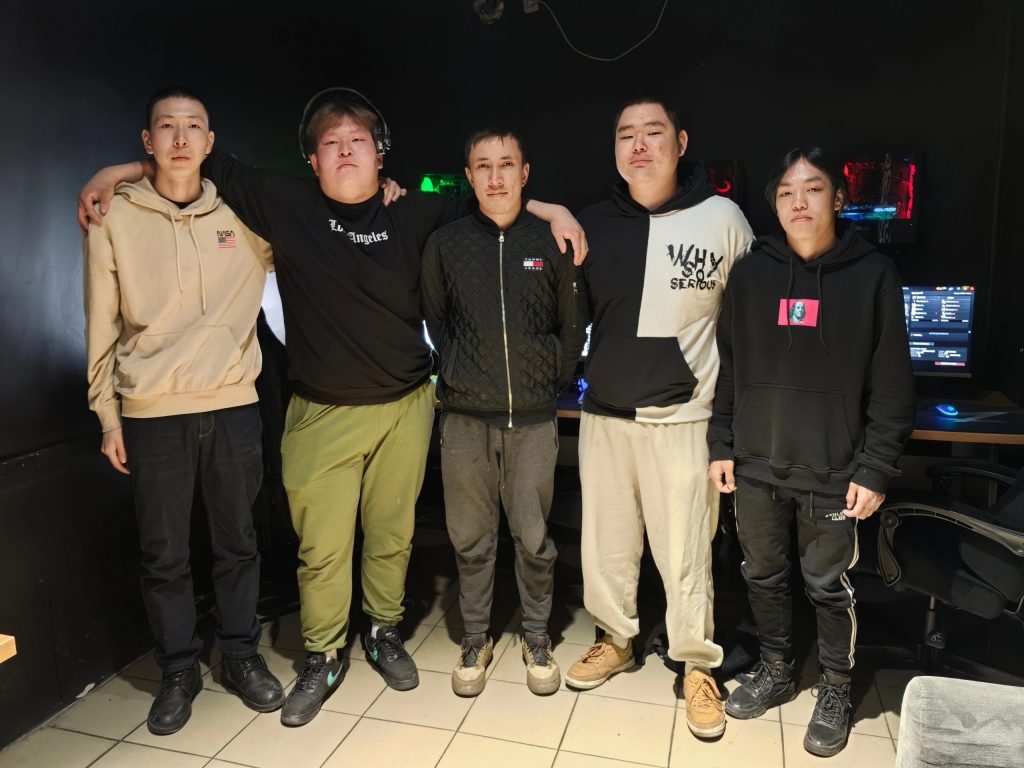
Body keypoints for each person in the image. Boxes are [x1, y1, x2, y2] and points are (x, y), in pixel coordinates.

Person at [79, 87, 587, 727]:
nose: (346, 151)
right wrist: (118, 171)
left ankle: (383, 632)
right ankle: (321, 655)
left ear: (380, 156)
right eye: (331, 143)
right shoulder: (285, 202)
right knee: (321, 548)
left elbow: (494, 197)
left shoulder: (415, 211)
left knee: (392, 537)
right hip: (320, 411)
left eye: (358, 142)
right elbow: (194, 157)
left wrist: (552, 208)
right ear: (312, 160)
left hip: (405, 408)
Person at [83, 86, 284, 736]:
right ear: (148, 141)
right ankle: (178, 670)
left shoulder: (244, 218)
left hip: (233, 405)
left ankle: (241, 655)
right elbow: (101, 323)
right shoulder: (115, 216)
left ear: (209, 141)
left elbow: (315, 234)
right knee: (163, 555)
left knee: (238, 543)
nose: (179, 137)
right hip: (151, 411)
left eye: (192, 126)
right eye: (166, 127)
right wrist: (108, 415)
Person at [707, 147, 915, 757]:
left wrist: (875, 469)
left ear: (838, 198)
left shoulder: (873, 274)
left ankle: (835, 688)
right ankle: (776, 668)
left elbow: (893, 387)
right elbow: (728, 368)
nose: (799, 202)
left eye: (813, 189)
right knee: (762, 576)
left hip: (834, 469)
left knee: (828, 587)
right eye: (786, 193)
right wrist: (721, 445)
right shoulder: (751, 274)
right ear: (774, 205)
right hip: (755, 463)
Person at [564, 97, 753, 740]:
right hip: (605, 415)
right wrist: (548, 208)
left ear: (681, 142)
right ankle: (615, 639)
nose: (639, 145)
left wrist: (730, 429)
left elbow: (746, 330)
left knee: (686, 554)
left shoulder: (723, 219)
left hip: (685, 419)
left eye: (653, 132)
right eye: (627, 135)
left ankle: (697, 665)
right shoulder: (593, 223)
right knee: (606, 546)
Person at [421, 129, 587, 697]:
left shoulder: (551, 241)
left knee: (534, 539)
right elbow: (437, 321)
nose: (495, 177)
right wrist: (463, 374)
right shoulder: (445, 244)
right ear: (469, 176)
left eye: (506, 165)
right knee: (471, 540)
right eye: (483, 166)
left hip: (533, 420)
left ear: (524, 173)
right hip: (465, 418)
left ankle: (536, 636)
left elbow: (573, 325)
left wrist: (548, 380)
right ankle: (476, 636)